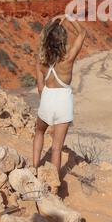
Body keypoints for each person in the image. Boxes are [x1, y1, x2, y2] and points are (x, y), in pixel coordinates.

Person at [33, 13, 87, 177]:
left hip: (48, 99)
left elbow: (40, 87)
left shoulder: (41, 62)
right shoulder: (68, 60)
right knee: (57, 148)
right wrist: (68, 16)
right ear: (63, 40)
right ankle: (54, 184)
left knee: (39, 132)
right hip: (63, 103)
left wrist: (52, 22)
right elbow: (82, 33)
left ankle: (35, 168)